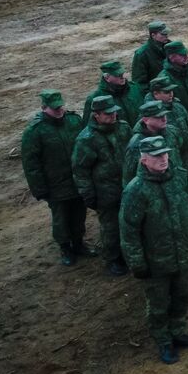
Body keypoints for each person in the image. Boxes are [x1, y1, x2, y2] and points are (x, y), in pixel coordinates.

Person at [119, 135, 188, 364]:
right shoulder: (135, 191)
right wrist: (137, 263)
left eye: (164, 153)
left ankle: (178, 330)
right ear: (144, 160)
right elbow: (129, 231)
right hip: (155, 261)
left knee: (181, 295)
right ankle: (164, 341)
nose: (163, 159)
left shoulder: (180, 177)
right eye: (156, 156)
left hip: (181, 251)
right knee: (158, 304)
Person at [20, 89, 88, 265]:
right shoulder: (35, 132)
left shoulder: (74, 120)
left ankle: (79, 243)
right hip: (55, 185)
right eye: (54, 108)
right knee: (61, 218)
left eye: (61, 107)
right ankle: (65, 248)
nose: (59, 111)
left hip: (77, 180)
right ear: (44, 108)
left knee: (79, 214)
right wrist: (39, 189)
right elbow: (31, 164)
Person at [71, 94, 133, 275]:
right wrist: (89, 195)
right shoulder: (86, 139)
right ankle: (113, 259)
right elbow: (80, 170)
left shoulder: (123, 128)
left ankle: (130, 254)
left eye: (113, 112)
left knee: (130, 223)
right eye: (107, 114)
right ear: (96, 115)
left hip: (128, 186)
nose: (112, 116)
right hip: (106, 193)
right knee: (111, 228)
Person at [82, 60, 141, 126]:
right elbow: (88, 126)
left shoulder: (135, 88)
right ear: (107, 77)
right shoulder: (95, 98)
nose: (122, 77)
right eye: (118, 75)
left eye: (123, 74)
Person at [160, 40, 188, 125]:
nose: (186, 57)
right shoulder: (164, 79)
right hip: (183, 124)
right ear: (172, 58)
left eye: (185, 54)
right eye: (182, 55)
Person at [131, 21, 170, 87]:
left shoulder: (170, 47)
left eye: (166, 33)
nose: (166, 36)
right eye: (163, 34)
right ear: (153, 35)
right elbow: (139, 82)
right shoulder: (141, 54)